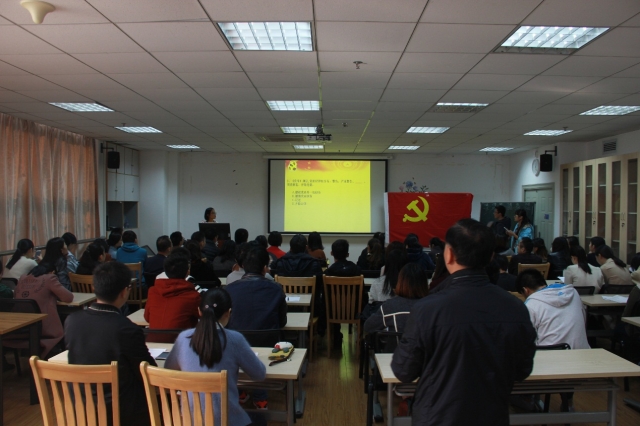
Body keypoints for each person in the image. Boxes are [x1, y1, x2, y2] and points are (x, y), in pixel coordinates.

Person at [391, 219, 537, 426]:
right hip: (492, 416)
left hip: (437, 417)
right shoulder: (516, 307)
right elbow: (523, 369)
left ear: (449, 255)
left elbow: (403, 370)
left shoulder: (427, 309)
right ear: (491, 256)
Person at [65, 262, 157, 426]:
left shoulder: (71, 321)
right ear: (124, 291)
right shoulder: (127, 329)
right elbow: (148, 373)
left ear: (94, 287)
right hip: (121, 414)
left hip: (82, 410)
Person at [165, 288, 266, 426]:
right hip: (227, 421)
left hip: (189, 420)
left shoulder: (183, 338)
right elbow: (259, 374)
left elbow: (169, 369)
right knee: (259, 418)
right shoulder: (234, 340)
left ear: (199, 311)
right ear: (228, 313)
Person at [516, 269, 589, 412]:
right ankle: (568, 401)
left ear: (526, 290)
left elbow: (525, 338)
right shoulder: (572, 293)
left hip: (548, 362)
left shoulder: (531, 304)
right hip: (581, 357)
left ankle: (529, 399)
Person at [225, 247, 287, 410]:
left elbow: (226, 322)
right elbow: (282, 322)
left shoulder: (229, 289)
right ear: (265, 268)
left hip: (237, 343)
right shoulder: (276, 288)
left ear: (243, 266)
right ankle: (261, 398)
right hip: (268, 342)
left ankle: (240, 393)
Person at [14, 261, 73, 357]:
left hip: (21, 325)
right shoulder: (50, 278)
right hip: (43, 326)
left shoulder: (23, 278)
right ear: (52, 272)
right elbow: (68, 298)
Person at [364, 263, 428, 350]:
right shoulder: (433, 307)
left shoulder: (389, 306)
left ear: (400, 282)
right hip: (426, 356)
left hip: (394, 355)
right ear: (424, 284)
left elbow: (368, 326)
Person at [145, 250, 201, 342]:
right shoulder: (193, 296)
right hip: (182, 343)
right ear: (188, 272)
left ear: (165, 271)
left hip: (153, 342)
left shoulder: (153, 291)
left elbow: (147, 318)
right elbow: (201, 317)